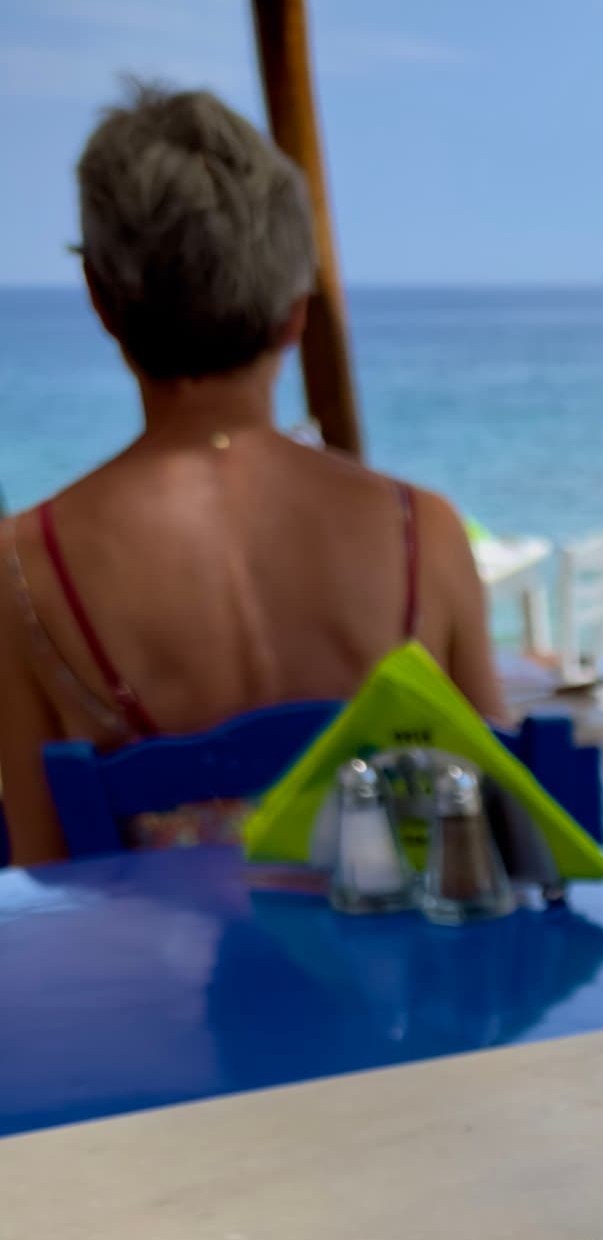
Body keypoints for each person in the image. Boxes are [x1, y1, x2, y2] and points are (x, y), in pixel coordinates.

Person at [0, 84, 499, 865]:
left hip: (159, 988)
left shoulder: (25, 567)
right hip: (397, 984)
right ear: (297, 312)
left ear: (100, 299)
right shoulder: (422, 533)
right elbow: (498, 823)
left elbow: (43, 873)